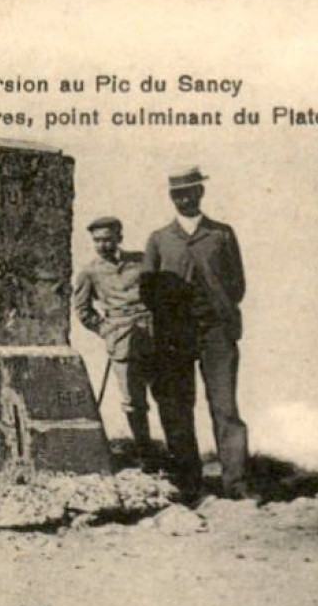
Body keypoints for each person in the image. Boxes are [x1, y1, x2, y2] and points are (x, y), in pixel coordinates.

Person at [71, 216, 202, 497]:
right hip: (122, 342)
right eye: (97, 240)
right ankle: (147, 456)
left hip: (154, 338)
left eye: (107, 238)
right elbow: (82, 310)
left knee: (167, 399)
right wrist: (105, 329)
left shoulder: (141, 261)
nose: (102, 244)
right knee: (133, 403)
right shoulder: (89, 272)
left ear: (119, 236)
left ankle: (180, 463)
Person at [143, 166, 250, 498]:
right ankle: (189, 483)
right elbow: (147, 290)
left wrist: (217, 308)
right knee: (178, 407)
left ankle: (236, 484)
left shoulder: (222, 234)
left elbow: (237, 284)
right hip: (175, 338)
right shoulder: (159, 239)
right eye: (177, 193)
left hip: (216, 333)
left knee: (225, 407)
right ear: (170, 196)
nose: (183, 197)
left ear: (201, 192)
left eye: (189, 191)